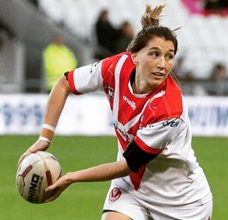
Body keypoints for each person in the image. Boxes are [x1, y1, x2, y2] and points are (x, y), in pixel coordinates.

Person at [18, 4, 212, 220]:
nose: (162, 64)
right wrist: (45, 137)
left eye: (169, 56)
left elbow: (127, 165)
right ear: (134, 56)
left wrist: (72, 177)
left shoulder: (168, 111)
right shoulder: (116, 67)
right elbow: (64, 83)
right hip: (132, 190)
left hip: (180, 202)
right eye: (154, 54)